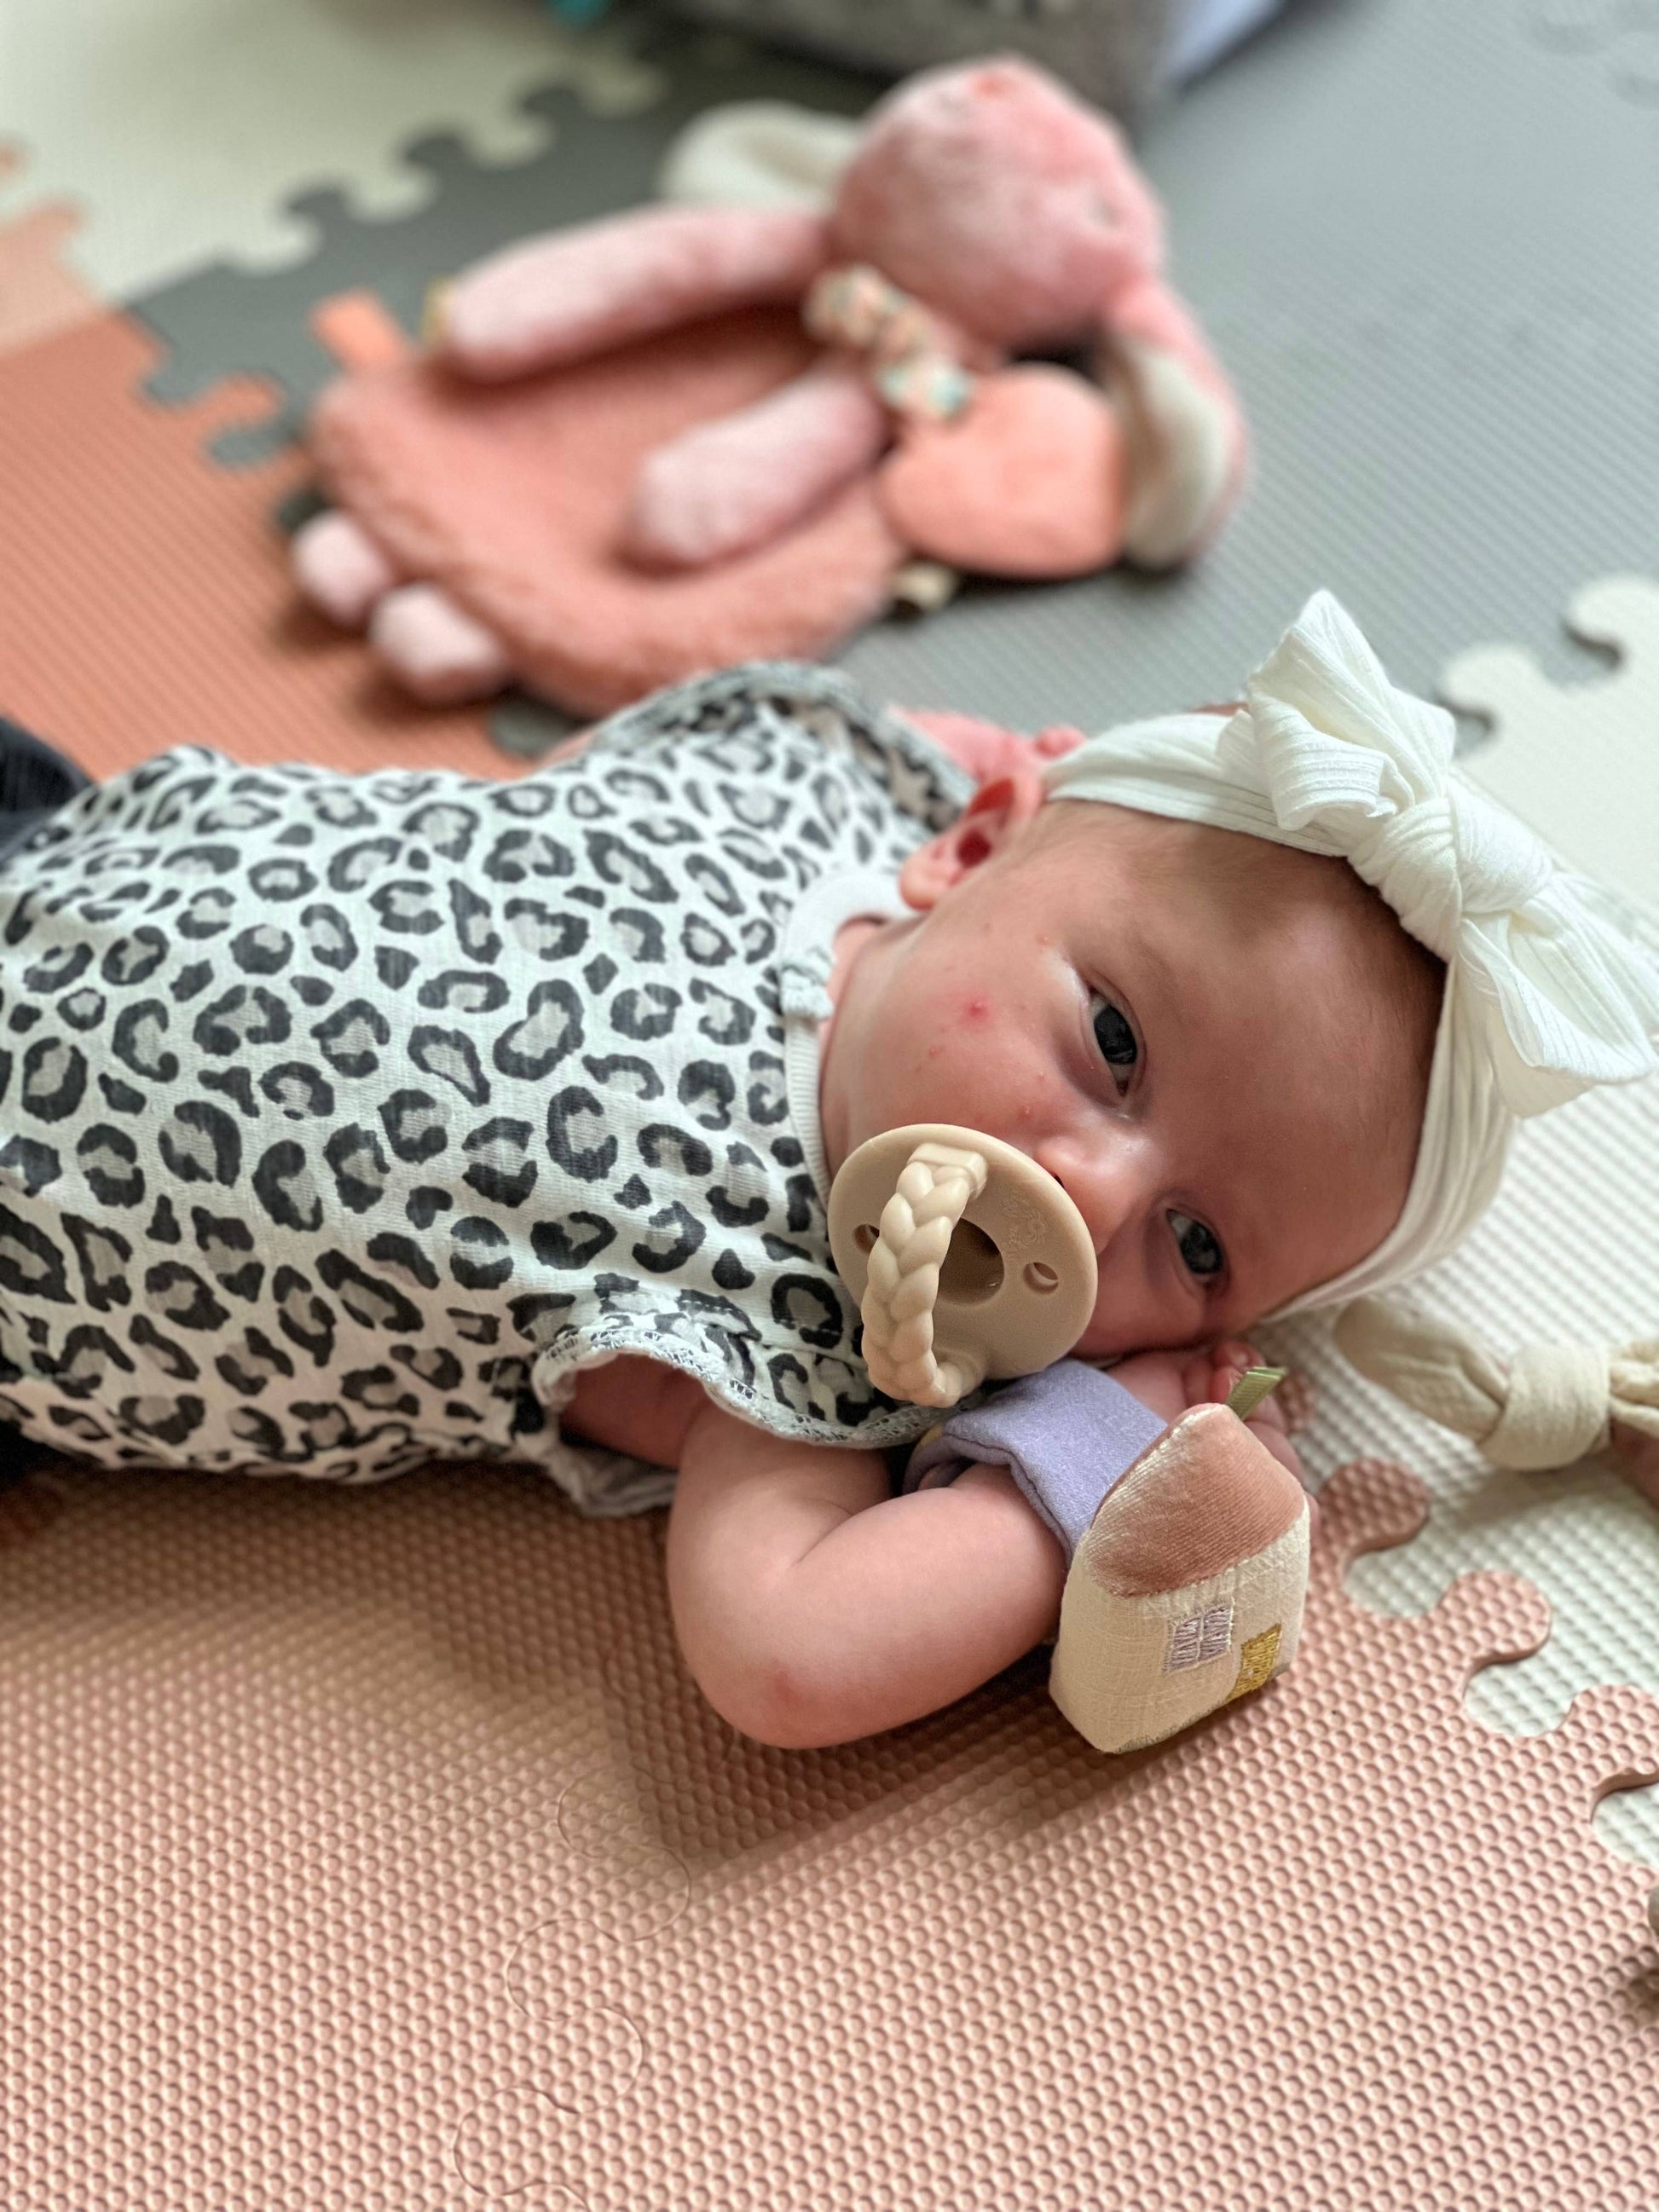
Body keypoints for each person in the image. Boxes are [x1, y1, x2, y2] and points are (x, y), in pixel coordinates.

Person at [0, 594, 1652, 1747]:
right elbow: (985, 762)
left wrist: (1093, 1441)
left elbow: (792, 1654)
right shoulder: (827, 804)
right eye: (1114, 1044)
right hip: (60, 833)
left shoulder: (800, 1329)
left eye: (1197, 1240)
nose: (1080, 1194)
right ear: (977, 844)